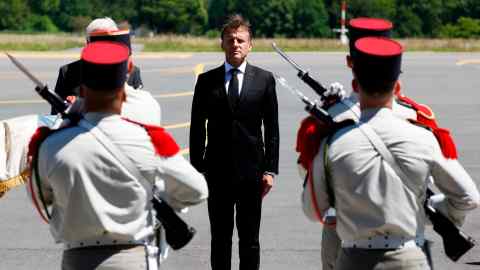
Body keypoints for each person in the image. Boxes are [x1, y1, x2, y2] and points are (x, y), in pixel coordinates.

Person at [302, 36, 479, 270]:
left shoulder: (332, 141)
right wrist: (436, 210)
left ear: (355, 85)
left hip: (354, 258)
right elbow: (469, 197)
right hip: (408, 257)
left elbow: (313, 208)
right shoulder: (423, 136)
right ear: (397, 86)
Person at [27, 41, 208, 270]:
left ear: (81, 92)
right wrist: (156, 199)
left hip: (77, 260)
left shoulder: (51, 145)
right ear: (124, 94)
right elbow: (197, 189)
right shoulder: (151, 139)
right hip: (133, 258)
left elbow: (41, 199)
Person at [189, 14, 279, 270]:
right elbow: (197, 128)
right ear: (222, 44)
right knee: (220, 239)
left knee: (250, 239)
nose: (236, 44)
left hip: (253, 174)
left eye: (241, 40)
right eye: (230, 40)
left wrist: (270, 169)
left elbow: (272, 128)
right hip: (217, 174)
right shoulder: (207, 82)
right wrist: (198, 168)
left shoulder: (264, 79)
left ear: (250, 45)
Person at [52, 17, 144, 114]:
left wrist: (79, 104)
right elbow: (55, 112)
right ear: (88, 42)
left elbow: (138, 110)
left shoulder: (133, 71)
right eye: (98, 40)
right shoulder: (68, 71)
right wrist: (69, 107)